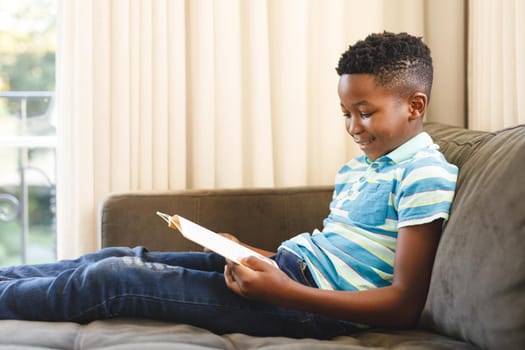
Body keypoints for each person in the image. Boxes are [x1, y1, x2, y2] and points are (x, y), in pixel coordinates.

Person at [0, 32, 458, 339]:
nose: (353, 127)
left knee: (111, 280)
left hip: (308, 306)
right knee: (119, 256)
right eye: (345, 113)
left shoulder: (423, 174)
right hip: (286, 271)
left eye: (365, 111)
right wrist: (250, 254)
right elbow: (331, 255)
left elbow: (403, 304)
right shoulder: (362, 166)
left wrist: (283, 292)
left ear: (414, 105)